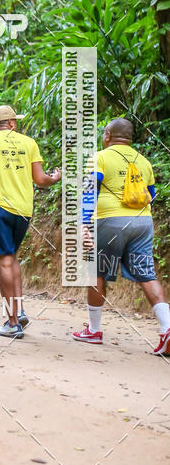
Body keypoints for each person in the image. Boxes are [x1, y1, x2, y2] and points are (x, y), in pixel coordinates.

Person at [75, 118, 170, 355]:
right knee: (147, 273)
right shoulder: (144, 162)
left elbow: (90, 191)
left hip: (109, 221)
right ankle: (167, 327)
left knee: (97, 271)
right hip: (143, 222)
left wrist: (84, 224)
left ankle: (94, 330)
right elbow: (151, 195)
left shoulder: (100, 157)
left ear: (108, 134)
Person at [0, 105, 61, 339]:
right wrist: (56, 177)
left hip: (0, 207)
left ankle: (13, 323)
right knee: (11, 257)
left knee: (3, 260)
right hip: (24, 210)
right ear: (11, 123)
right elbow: (41, 179)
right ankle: (19, 310)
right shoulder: (29, 143)